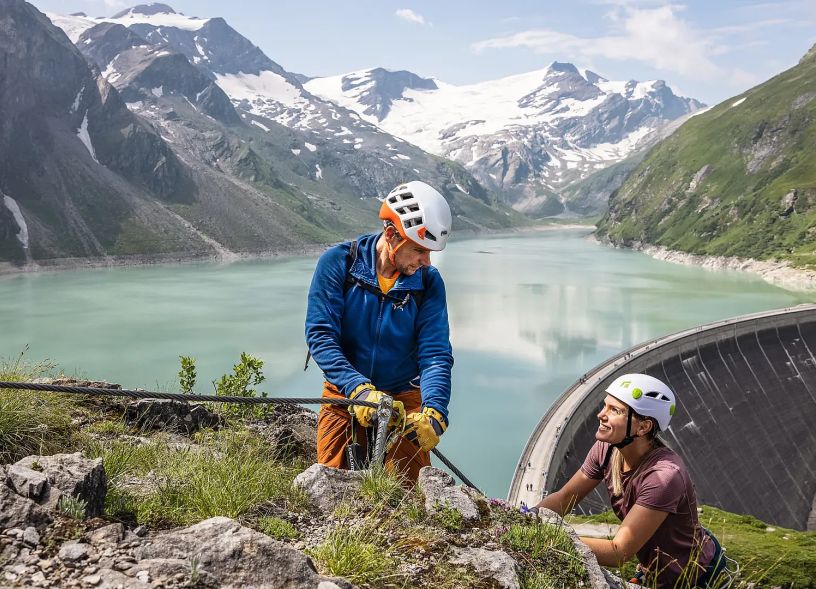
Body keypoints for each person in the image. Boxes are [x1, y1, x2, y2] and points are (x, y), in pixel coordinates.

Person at [305, 180, 454, 483]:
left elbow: (435, 353)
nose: (426, 261)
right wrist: (358, 389)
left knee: (405, 498)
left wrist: (435, 411)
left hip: (405, 402)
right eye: (419, 250)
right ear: (391, 235)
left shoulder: (428, 282)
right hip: (345, 395)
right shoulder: (339, 263)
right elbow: (321, 335)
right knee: (331, 489)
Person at [534, 374, 726, 588]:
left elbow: (619, 552)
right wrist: (523, 518)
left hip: (693, 579)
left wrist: (548, 539)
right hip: (654, 571)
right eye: (605, 406)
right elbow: (566, 497)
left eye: (614, 410)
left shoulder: (663, 476)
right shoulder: (606, 449)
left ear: (643, 427)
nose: (600, 414)